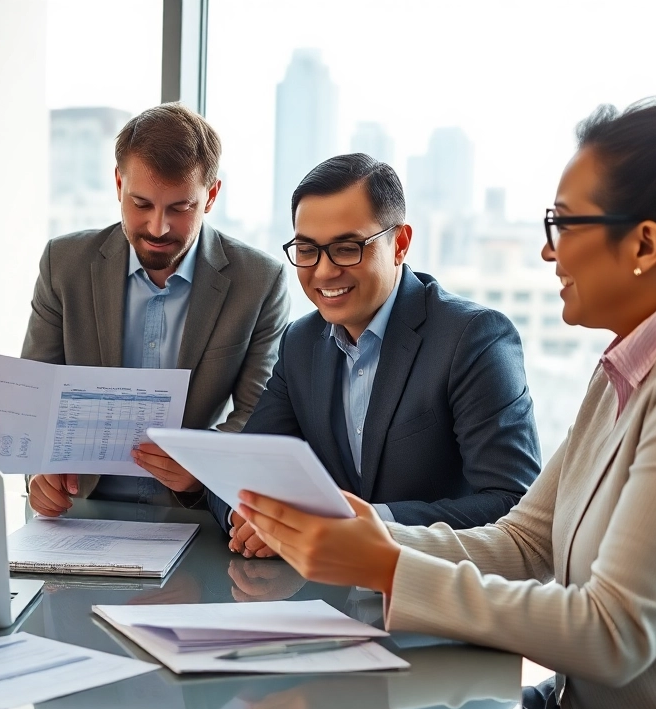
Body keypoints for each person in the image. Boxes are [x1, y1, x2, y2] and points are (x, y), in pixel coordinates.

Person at [237, 92, 656, 709]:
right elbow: (528, 541)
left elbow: (612, 632)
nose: (547, 250)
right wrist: (371, 538)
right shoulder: (640, 360)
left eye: (563, 225)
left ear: (644, 242)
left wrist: (385, 564)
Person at [212, 153, 541, 557]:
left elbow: (512, 502)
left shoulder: (472, 338)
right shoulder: (301, 342)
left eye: (347, 248)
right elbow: (244, 470)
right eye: (307, 249)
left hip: (437, 594)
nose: (324, 271)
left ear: (399, 243)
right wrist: (246, 517)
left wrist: (359, 526)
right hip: (325, 597)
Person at [22, 102, 289, 515]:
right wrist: (37, 473)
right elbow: (35, 397)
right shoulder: (64, 264)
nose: (158, 228)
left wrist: (203, 468)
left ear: (211, 195)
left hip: (192, 518)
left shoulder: (259, 282)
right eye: (141, 203)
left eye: (180, 208)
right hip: (79, 514)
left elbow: (258, 416)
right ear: (117, 184)